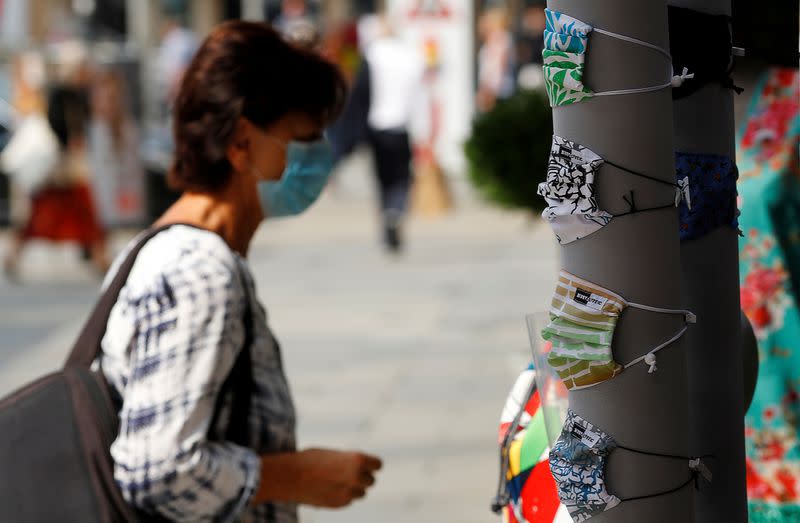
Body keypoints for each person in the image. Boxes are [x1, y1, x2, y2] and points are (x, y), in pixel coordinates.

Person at [96, 21, 381, 522]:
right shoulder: (200, 273)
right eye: (303, 138)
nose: (317, 157)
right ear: (243, 142)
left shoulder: (162, 250)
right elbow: (157, 469)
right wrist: (297, 476)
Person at [2, 54, 109, 278]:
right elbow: (58, 123)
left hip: (70, 165)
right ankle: (98, 258)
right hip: (61, 165)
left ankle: (98, 257)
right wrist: (69, 143)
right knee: (49, 211)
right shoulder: (61, 94)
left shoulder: (80, 94)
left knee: (82, 212)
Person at [363, 18, 424, 252]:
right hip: (403, 125)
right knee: (401, 177)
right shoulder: (410, 56)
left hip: (377, 124)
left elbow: (362, 93)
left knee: (382, 179)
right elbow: (419, 95)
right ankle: (396, 211)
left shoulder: (372, 54)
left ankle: (387, 215)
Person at [87, 68, 145, 227]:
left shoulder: (130, 129)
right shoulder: (90, 132)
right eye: (105, 97)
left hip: (130, 216)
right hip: (100, 220)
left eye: (114, 97)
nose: (110, 102)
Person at [476, 7, 516, 112]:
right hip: (492, 89)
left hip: (498, 90)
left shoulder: (500, 38)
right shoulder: (495, 38)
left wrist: (491, 88)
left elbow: (500, 65)